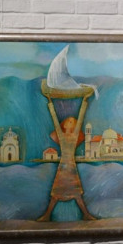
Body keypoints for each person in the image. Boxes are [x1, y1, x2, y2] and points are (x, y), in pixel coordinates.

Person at [38, 93, 96, 222]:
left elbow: (81, 118)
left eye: (72, 121)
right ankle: (47, 216)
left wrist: (84, 100)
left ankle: (86, 215)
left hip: (71, 167)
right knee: (56, 194)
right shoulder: (60, 135)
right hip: (63, 167)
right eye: (69, 121)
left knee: (77, 194)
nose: (71, 121)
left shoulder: (75, 136)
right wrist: (50, 102)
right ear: (64, 125)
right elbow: (54, 119)